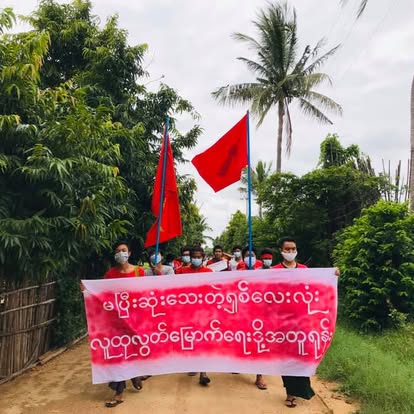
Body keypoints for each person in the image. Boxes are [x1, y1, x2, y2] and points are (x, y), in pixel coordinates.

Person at [273, 236, 340, 408]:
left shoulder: (304, 270)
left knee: (302, 355)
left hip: (303, 322)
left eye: (293, 249)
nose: (290, 252)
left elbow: (316, 286)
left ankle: (301, 389)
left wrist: (332, 275)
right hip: (283, 323)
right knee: (287, 359)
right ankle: (290, 393)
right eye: (287, 249)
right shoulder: (274, 271)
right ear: (281, 251)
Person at [86, 241, 145, 407]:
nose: (121, 253)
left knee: (133, 351)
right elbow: (101, 295)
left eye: (124, 250)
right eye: (118, 251)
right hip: (115, 323)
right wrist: (87, 290)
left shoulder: (139, 272)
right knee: (118, 354)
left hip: (134, 321)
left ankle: (134, 374)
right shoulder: (110, 274)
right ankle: (119, 393)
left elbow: (146, 294)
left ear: (129, 253)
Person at [177, 246, 213, 385]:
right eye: (194, 257)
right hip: (186, 311)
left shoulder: (209, 272)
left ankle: (203, 372)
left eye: (199, 257)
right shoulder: (181, 271)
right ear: (190, 257)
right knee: (190, 338)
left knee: (203, 339)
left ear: (203, 258)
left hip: (203, 311)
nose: (196, 259)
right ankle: (192, 363)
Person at [236, 245, 266, 390]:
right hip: (242, 312)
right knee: (242, 340)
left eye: (252, 255)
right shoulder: (237, 273)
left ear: (256, 258)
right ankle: (238, 363)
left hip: (260, 313)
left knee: (259, 343)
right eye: (247, 255)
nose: (250, 258)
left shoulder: (264, 273)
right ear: (243, 258)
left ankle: (259, 376)